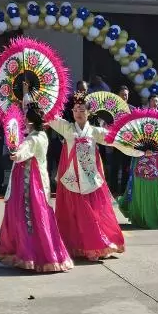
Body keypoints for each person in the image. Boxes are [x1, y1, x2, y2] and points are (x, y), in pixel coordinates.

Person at [49, 92, 132, 261]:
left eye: (81, 110)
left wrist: (138, 146)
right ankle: (80, 247)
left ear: (88, 113)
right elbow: (50, 116)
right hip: (72, 180)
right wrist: (29, 97)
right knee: (75, 217)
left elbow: (117, 139)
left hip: (90, 180)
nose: (78, 113)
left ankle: (97, 246)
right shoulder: (67, 128)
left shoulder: (95, 131)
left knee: (93, 216)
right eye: (75, 110)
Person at [0, 104, 74, 273]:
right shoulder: (42, 135)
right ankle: (46, 253)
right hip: (38, 182)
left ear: (28, 120)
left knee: (24, 217)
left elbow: (20, 153)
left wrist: (14, 150)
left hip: (28, 183)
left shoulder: (32, 139)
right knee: (41, 218)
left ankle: (28, 255)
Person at [106, 85, 135, 196]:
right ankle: (113, 189)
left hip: (128, 143)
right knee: (114, 166)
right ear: (118, 95)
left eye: (126, 95)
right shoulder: (112, 109)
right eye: (122, 95)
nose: (124, 97)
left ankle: (124, 189)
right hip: (115, 142)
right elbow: (108, 125)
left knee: (126, 167)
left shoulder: (132, 109)